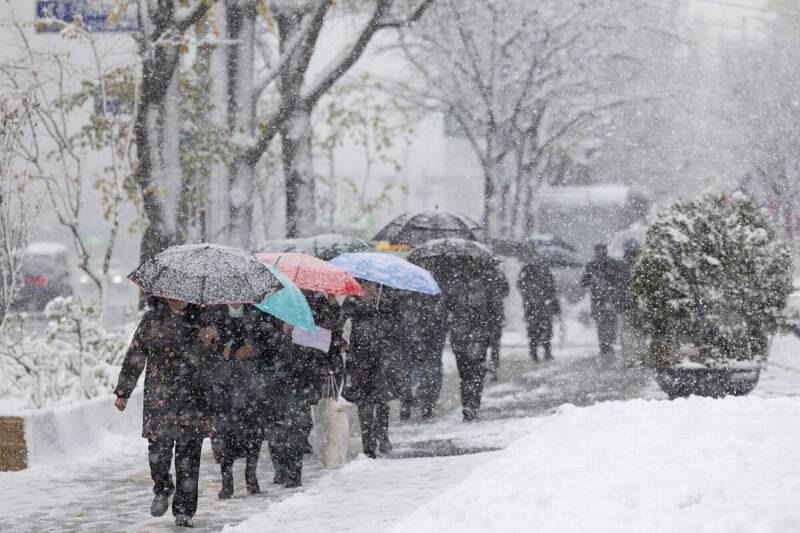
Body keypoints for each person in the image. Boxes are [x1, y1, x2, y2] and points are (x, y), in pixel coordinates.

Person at [113, 296, 211, 529]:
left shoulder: (203, 320)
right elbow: (136, 355)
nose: (177, 299)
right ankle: (162, 487)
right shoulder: (152, 320)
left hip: (193, 398)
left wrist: (210, 343)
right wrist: (123, 392)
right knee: (158, 452)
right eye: (173, 295)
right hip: (160, 398)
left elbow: (220, 359)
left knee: (188, 457)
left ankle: (185, 510)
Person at [204, 303, 269, 499]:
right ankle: (227, 479)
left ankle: (251, 474)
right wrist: (223, 349)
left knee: (253, 431)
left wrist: (253, 349)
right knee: (224, 433)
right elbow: (208, 343)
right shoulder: (213, 313)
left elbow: (268, 341)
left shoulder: (257, 312)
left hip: (250, 384)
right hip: (223, 384)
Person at [342, 282, 405, 457]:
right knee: (365, 404)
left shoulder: (388, 300)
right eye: (365, 285)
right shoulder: (353, 301)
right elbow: (342, 323)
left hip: (382, 359)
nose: (369, 288)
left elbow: (398, 327)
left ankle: (383, 435)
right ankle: (368, 445)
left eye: (372, 285)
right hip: (360, 360)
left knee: (382, 401)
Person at [447, 260, 496, 422]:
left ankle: (468, 405)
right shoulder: (487, 283)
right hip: (477, 335)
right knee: (476, 373)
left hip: (461, 336)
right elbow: (494, 310)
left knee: (466, 373)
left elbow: (448, 309)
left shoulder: (454, 284)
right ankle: (473, 404)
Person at [399, 292, 448, 421]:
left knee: (420, 370)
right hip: (420, 337)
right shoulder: (430, 294)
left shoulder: (405, 295)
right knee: (427, 370)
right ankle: (423, 403)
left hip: (422, 338)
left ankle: (416, 403)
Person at [581, 244, 625, 360]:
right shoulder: (592, 265)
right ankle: (605, 345)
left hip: (607, 299)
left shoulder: (611, 264)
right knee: (603, 324)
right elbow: (584, 282)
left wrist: (610, 285)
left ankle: (608, 344)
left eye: (601, 251)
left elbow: (620, 280)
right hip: (600, 300)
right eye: (598, 251)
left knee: (609, 323)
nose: (600, 253)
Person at [518, 259, 560, 362]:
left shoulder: (545, 271)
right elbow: (521, 286)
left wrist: (554, 305)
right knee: (534, 330)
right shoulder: (527, 270)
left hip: (543, 305)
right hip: (533, 306)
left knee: (545, 329)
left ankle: (545, 351)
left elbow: (552, 290)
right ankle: (535, 352)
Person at [485, 267, 509, 379]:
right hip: (495, 313)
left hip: (482, 313)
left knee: (485, 341)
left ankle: (487, 366)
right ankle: (493, 366)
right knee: (495, 342)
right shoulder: (499, 273)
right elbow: (506, 291)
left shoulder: (475, 273)